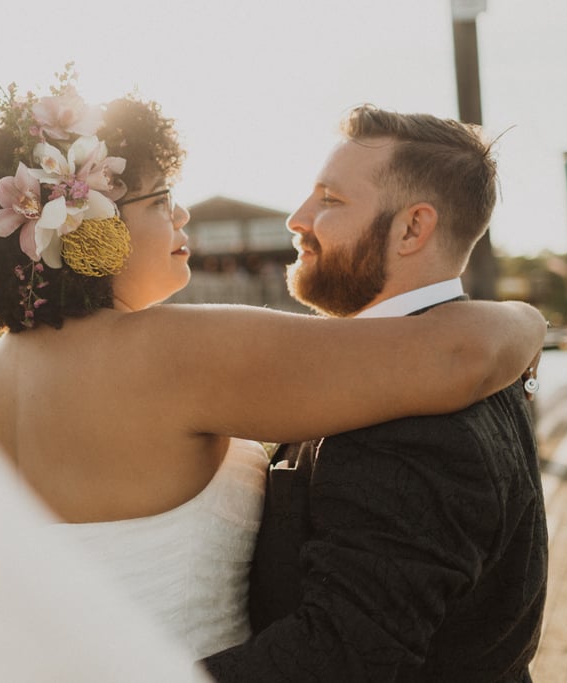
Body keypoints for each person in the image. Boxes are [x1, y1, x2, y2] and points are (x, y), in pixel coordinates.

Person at [0, 74, 546, 660]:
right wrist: (526, 319)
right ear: (92, 228)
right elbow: (458, 356)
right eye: (161, 200)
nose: (181, 218)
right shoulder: (165, 350)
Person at [203, 106, 548, 681]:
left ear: (413, 228)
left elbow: (341, 656)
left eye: (330, 201)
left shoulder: (415, 419)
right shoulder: (445, 366)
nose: (297, 218)